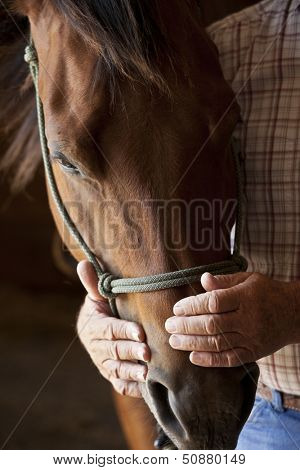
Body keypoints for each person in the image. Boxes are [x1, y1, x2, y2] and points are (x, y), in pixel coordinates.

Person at [76, 0, 300, 450]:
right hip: (260, 416)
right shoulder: (225, 48)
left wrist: (293, 311)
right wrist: (100, 318)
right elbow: (143, 203)